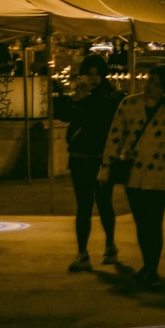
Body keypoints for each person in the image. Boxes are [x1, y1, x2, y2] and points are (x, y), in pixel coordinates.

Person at [99, 65, 165, 287]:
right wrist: (106, 168)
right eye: (149, 80)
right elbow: (115, 137)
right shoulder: (129, 104)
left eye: (156, 83)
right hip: (134, 175)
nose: (149, 86)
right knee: (142, 224)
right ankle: (147, 266)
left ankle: (152, 269)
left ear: (164, 88)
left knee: (155, 224)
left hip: (159, 176)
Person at [55, 54, 124, 272]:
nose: (93, 78)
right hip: (80, 157)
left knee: (104, 203)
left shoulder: (111, 97)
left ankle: (110, 246)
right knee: (83, 206)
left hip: (102, 157)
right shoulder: (79, 95)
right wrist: (77, 98)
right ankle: (82, 253)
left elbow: (110, 120)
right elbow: (63, 114)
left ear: (103, 75)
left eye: (97, 74)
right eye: (89, 73)